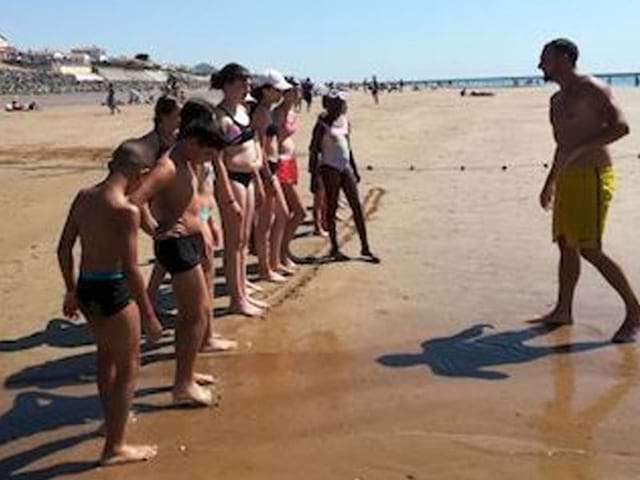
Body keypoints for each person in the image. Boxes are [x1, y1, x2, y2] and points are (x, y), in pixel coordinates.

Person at [56, 141, 159, 466]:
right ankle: (115, 446)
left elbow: (63, 248)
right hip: (113, 288)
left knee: (105, 354)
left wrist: (71, 290)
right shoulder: (125, 210)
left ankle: (110, 420)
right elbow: (130, 268)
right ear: (140, 174)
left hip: (86, 288)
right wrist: (149, 313)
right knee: (130, 364)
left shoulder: (84, 197)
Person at [536, 38, 638, 343]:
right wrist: (549, 182)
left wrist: (581, 150)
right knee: (566, 244)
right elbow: (561, 146)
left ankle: (635, 311)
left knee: (590, 248)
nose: (540, 64)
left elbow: (621, 126)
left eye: (545, 58)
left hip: (593, 175)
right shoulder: (556, 100)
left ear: (565, 58)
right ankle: (563, 310)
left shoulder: (591, 89)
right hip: (568, 178)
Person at [130, 102, 227, 405]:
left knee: (196, 311)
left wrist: (207, 224)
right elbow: (135, 200)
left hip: (190, 240)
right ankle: (182, 385)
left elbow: (200, 198)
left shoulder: (188, 161)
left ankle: (188, 372)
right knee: (194, 313)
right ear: (195, 143)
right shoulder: (168, 165)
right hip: (175, 244)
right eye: (208, 154)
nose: (208, 160)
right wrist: (154, 228)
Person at [211, 63, 268, 317]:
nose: (247, 86)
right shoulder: (220, 117)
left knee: (245, 239)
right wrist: (225, 193)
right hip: (233, 179)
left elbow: (254, 141)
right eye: (241, 82)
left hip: (250, 177)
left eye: (248, 81)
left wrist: (257, 170)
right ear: (227, 84)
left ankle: (242, 287)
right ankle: (236, 299)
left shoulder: (243, 111)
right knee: (234, 242)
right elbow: (218, 159)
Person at [309, 91, 380, 263]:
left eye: (344, 103)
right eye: (341, 103)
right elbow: (314, 151)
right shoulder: (322, 125)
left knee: (356, 206)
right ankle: (334, 248)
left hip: (345, 166)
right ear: (331, 105)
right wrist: (313, 176)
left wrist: (354, 169)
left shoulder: (345, 121)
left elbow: (349, 147)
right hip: (329, 168)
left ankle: (365, 247)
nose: (344, 106)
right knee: (331, 208)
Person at [251, 70, 293, 282]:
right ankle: (265, 267)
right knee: (267, 221)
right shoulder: (260, 113)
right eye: (277, 90)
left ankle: (273, 262)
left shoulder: (267, 111)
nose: (280, 94)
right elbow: (258, 145)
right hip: (265, 168)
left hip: (272, 166)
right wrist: (266, 174)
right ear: (265, 90)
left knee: (280, 215)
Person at [274, 77, 306, 268]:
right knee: (298, 212)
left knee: (288, 211)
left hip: (291, 162)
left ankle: (282, 250)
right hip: (280, 163)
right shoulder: (276, 113)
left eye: (297, 91)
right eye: (292, 91)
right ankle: (281, 251)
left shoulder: (292, 113)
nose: (296, 94)